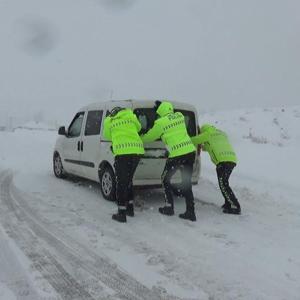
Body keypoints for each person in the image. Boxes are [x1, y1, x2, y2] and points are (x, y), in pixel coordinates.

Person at [141, 101, 197, 221]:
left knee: (165, 179)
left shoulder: (160, 123)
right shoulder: (180, 116)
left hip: (177, 154)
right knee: (186, 182)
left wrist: (139, 138)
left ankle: (169, 207)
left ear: (160, 111)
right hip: (190, 152)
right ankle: (190, 212)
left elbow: (150, 136)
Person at [103, 107, 144, 222]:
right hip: (137, 152)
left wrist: (109, 120)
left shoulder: (109, 120)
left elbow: (107, 135)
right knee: (128, 180)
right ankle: (130, 208)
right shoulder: (131, 117)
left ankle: (121, 213)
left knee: (121, 182)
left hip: (123, 153)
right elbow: (139, 128)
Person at [191, 124, 241, 214]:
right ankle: (228, 203)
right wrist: (203, 147)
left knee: (223, 184)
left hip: (223, 161)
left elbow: (195, 140)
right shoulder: (221, 133)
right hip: (231, 159)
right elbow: (211, 145)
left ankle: (235, 206)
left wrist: (182, 139)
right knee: (224, 183)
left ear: (203, 130)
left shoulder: (207, 134)